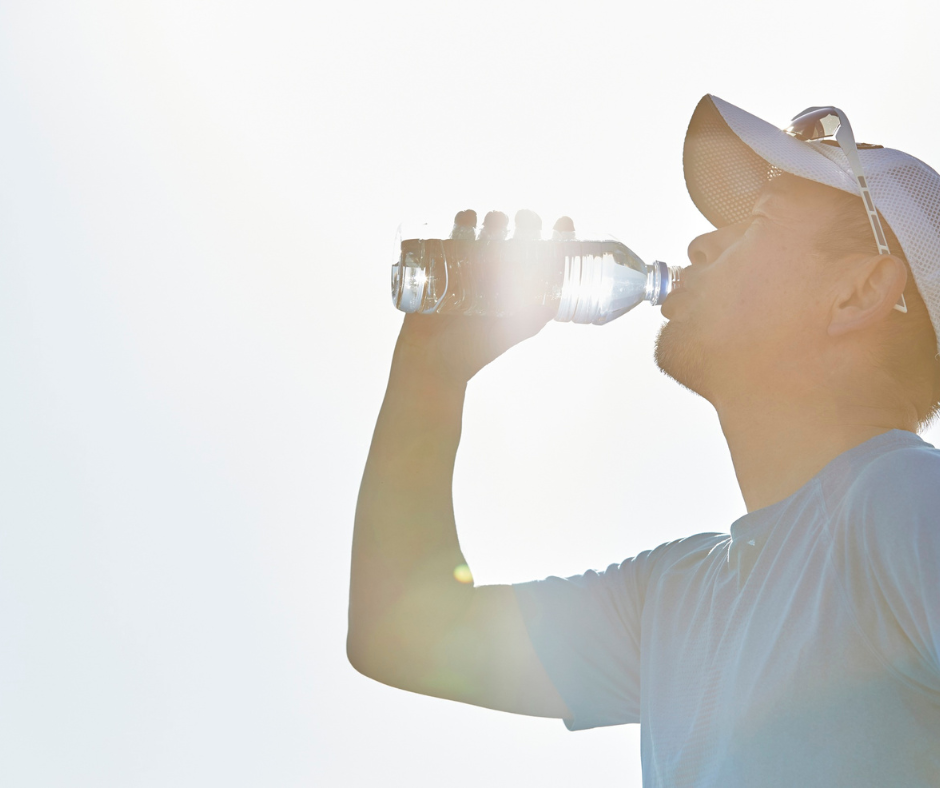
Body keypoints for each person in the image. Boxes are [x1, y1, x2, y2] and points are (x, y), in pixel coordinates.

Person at [347, 95, 940, 786]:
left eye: (759, 221)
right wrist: (431, 372)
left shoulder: (906, 505)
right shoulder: (676, 598)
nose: (699, 244)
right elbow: (402, 633)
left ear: (858, 292)